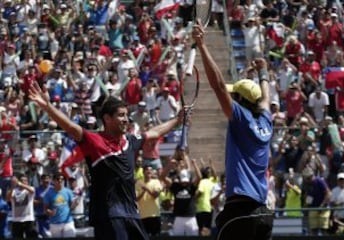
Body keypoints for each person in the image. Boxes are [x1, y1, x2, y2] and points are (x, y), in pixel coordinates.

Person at [28, 82, 184, 240]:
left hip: (132, 214)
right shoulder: (94, 141)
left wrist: (177, 120)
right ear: (107, 119)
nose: (126, 120)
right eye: (121, 115)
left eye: (126, 115)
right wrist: (47, 106)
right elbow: (70, 126)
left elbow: (154, 132)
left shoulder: (130, 141)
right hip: (109, 215)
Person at [192, 21, 274, 239]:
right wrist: (263, 72)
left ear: (239, 101)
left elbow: (218, 85)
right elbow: (265, 97)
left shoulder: (241, 119)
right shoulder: (266, 121)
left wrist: (202, 46)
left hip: (239, 211)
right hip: (263, 213)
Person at [43, 173, 76, 238]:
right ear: (53, 181)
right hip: (54, 224)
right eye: (58, 179)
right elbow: (45, 209)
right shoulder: (48, 194)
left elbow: (72, 207)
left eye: (62, 179)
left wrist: (75, 204)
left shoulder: (68, 191)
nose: (60, 180)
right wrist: (50, 212)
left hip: (68, 222)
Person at [6, 174, 38, 239]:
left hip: (29, 220)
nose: (23, 182)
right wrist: (12, 186)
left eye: (25, 180)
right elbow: (8, 198)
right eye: (21, 180)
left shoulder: (30, 189)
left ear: (27, 182)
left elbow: (32, 191)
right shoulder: (13, 191)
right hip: (16, 221)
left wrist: (20, 183)